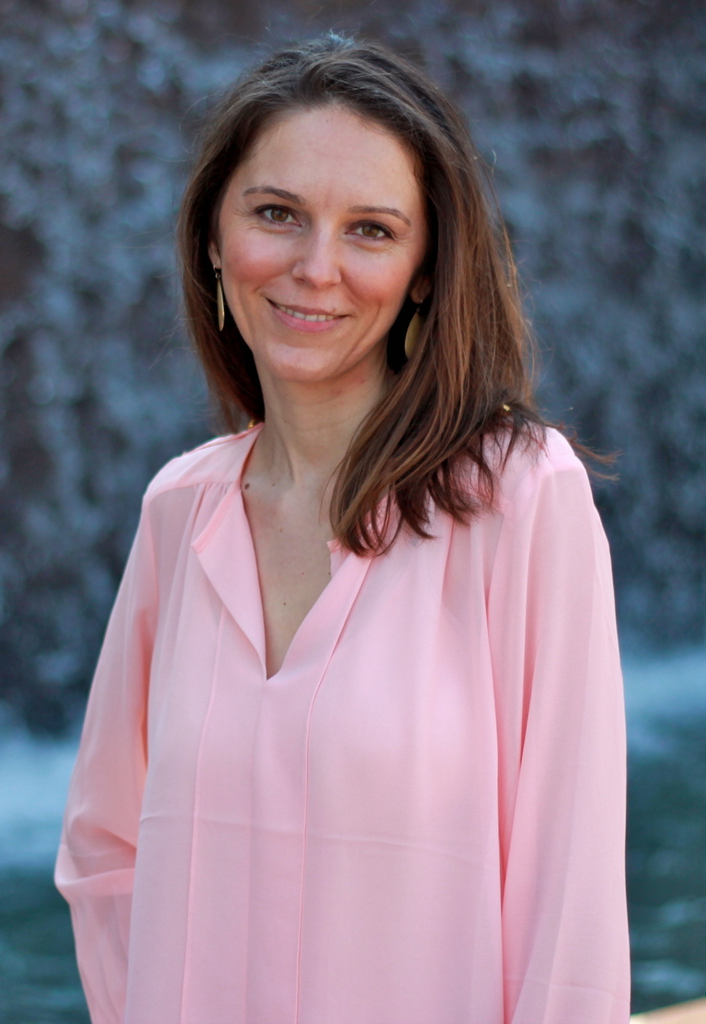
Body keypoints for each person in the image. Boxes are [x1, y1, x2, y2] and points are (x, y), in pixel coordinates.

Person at [55, 34, 630, 1024]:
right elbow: (105, 853)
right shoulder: (178, 508)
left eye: (370, 229)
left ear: (422, 268)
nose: (315, 269)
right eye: (277, 214)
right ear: (210, 236)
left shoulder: (524, 497)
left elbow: (567, 902)